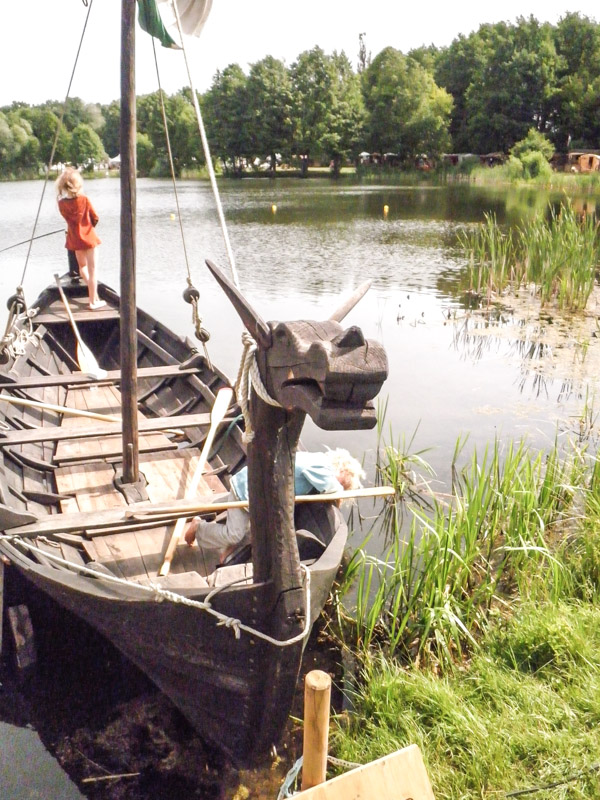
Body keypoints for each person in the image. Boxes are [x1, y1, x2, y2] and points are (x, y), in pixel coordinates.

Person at [184, 449, 366, 558]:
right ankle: (199, 527)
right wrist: (339, 493)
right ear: (340, 469)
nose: (341, 485)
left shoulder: (317, 459)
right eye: (343, 482)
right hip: (247, 490)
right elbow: (330, 486)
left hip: (257, 489)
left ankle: (228, 551)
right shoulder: (322, 468)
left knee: (257, 531)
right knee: (234, 534)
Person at [56, 168, 105, 310]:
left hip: (74, 239)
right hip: (89, 238)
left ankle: (93, 294)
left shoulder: (61, 204)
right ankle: (93, 301)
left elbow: (67, 219)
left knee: (82, 267)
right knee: (93, 270)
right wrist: (90, 226)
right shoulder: (84, 199)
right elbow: (95, 217)